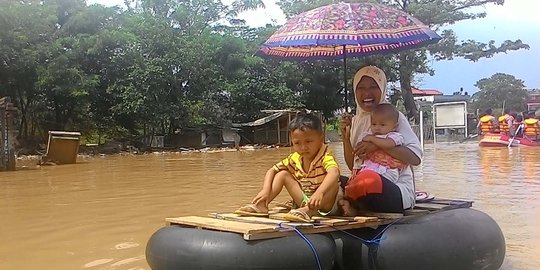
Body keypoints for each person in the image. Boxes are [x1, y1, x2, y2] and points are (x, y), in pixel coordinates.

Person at [339, 66, 422, 214]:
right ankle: (353, 205)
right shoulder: (356, 120)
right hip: (363, 183)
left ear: (382, 88)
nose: (367, 93)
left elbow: (415, 158)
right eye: (361, 88)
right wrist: (346, 137)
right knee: (332, 179)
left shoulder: (394, 117)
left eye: (373, 87)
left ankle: (353, 206)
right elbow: (353, 164)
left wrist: (377, 145)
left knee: (368, 180)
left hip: (396, 188)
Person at [235, 113, 342, 222]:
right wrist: (265, 190)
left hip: (326, 204)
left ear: (320, 138)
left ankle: (309, 211)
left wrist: (320, 192)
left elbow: (334, 172)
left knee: (334, 184)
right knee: (282, 174)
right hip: (306, 200)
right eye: (297, 143)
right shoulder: (295, 158)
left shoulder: (325, 155)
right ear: (292, 142)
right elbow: (271, 170)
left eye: (309, 141)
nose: (303, 147)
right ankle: (262, 204)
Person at [345, 103, 406, 201]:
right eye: (374, 124)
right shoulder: (368, 135)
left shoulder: (394, 136)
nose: (377, 128)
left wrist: (373, 141)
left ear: (394, 126)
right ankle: (351, 199)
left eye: (382, 124)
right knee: (355, 182)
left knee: (370, 182)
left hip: (387, 170)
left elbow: (388, 144)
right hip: (368, 168)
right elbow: (359, 154)